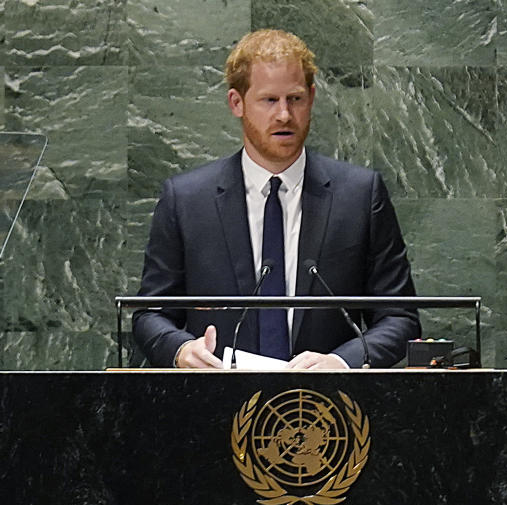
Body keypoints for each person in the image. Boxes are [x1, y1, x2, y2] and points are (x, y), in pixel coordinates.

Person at [133, 29, 419, 369]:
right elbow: (150, 314)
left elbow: (401, 318)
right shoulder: (187, 200)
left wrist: (342, 361)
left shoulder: (359, 195)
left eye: (295, 99)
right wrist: (181, 350)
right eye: (270, 100)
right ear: (236, 103)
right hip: (217, 405)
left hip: (330, 410)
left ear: (311, 97)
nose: (284, 114)